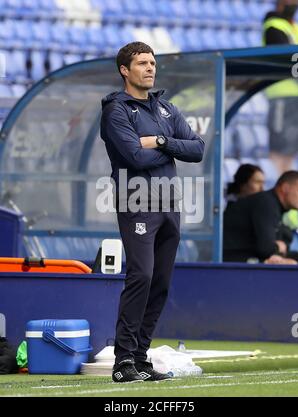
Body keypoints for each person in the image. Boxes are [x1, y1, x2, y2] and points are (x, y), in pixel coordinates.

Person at [100, 42, 205, 383]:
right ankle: (123, 360)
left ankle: (141, 356)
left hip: (170, 204)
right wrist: (168, 146)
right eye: (142, 63)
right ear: (124, 70)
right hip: (137, 202)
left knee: (160, 282)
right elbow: (134, 157)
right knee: (141, 276)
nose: (150, 68)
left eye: (152, 63)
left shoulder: (166, 109)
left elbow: (198, 149)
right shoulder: (116, 110)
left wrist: (159, 141)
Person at [223, 170, 298, 263]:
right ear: (285, 188)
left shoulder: (275, 206)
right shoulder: (266, 203)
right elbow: (266, 249)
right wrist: (277, 247)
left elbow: (281, 245)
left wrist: (278, 248)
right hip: (229, 264)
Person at [262, 0, 298, 174]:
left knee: (292, 147)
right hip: (281, 97)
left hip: (296, 98)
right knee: (279, 147)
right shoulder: (274, 25)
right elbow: (284, 59)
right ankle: (280, 183)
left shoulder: (295, 27)